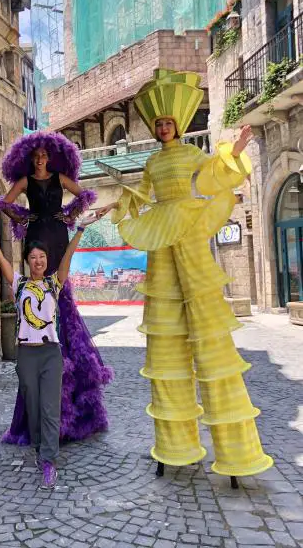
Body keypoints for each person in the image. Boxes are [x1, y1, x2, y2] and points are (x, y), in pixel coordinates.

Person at [97, 69, 272, 482]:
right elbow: (137, 194)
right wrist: (113, 209)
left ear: (177, 124)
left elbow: (213, 172)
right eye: (157, 124)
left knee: (208, 331)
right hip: (162, 235)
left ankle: (235, 451)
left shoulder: (191, 155)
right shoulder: (153, 160)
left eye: (167, 123)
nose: (162, 128)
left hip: (189, 231)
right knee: (166, 336)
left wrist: (236, 149)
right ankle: (176, 446)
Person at [0, 211, 99, 488]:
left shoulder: (54, 283)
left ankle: (49, 461)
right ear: (27, 261)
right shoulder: (19, 285)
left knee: (50, 408)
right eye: (33, 257)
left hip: (51, 354)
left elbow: (68, 259)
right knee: (35, 406)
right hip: (26, 356)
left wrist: (81, 230)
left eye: (42, 257)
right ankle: (40, 447)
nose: (38, 262)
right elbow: (0, 258)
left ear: (46, 261)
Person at [0, 131, 112, 445]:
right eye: (36, 156)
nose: (40, 160)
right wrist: (22, 216)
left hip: (59, 234)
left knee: (60, 293)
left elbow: (86, 196)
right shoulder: (24, 181)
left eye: (45, 156)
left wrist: (71, 213)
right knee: (40, 288)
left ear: (51, 157)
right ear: (30, 158)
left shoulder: (60, 177)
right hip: (36, 234)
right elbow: (2, 204)